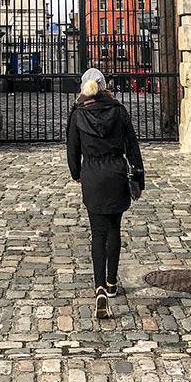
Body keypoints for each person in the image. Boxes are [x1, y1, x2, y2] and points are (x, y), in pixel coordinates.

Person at [66, 67, 144, 319]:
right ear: (104, 85)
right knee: (114, 230)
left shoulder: (78, 113)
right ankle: (112, 284)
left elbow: (72, 149)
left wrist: (76, 173)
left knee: (98, 232)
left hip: (92, 174)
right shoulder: (119, 111)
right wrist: (139, 178)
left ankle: (99, 287)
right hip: (116, 172)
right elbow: (132, 146)